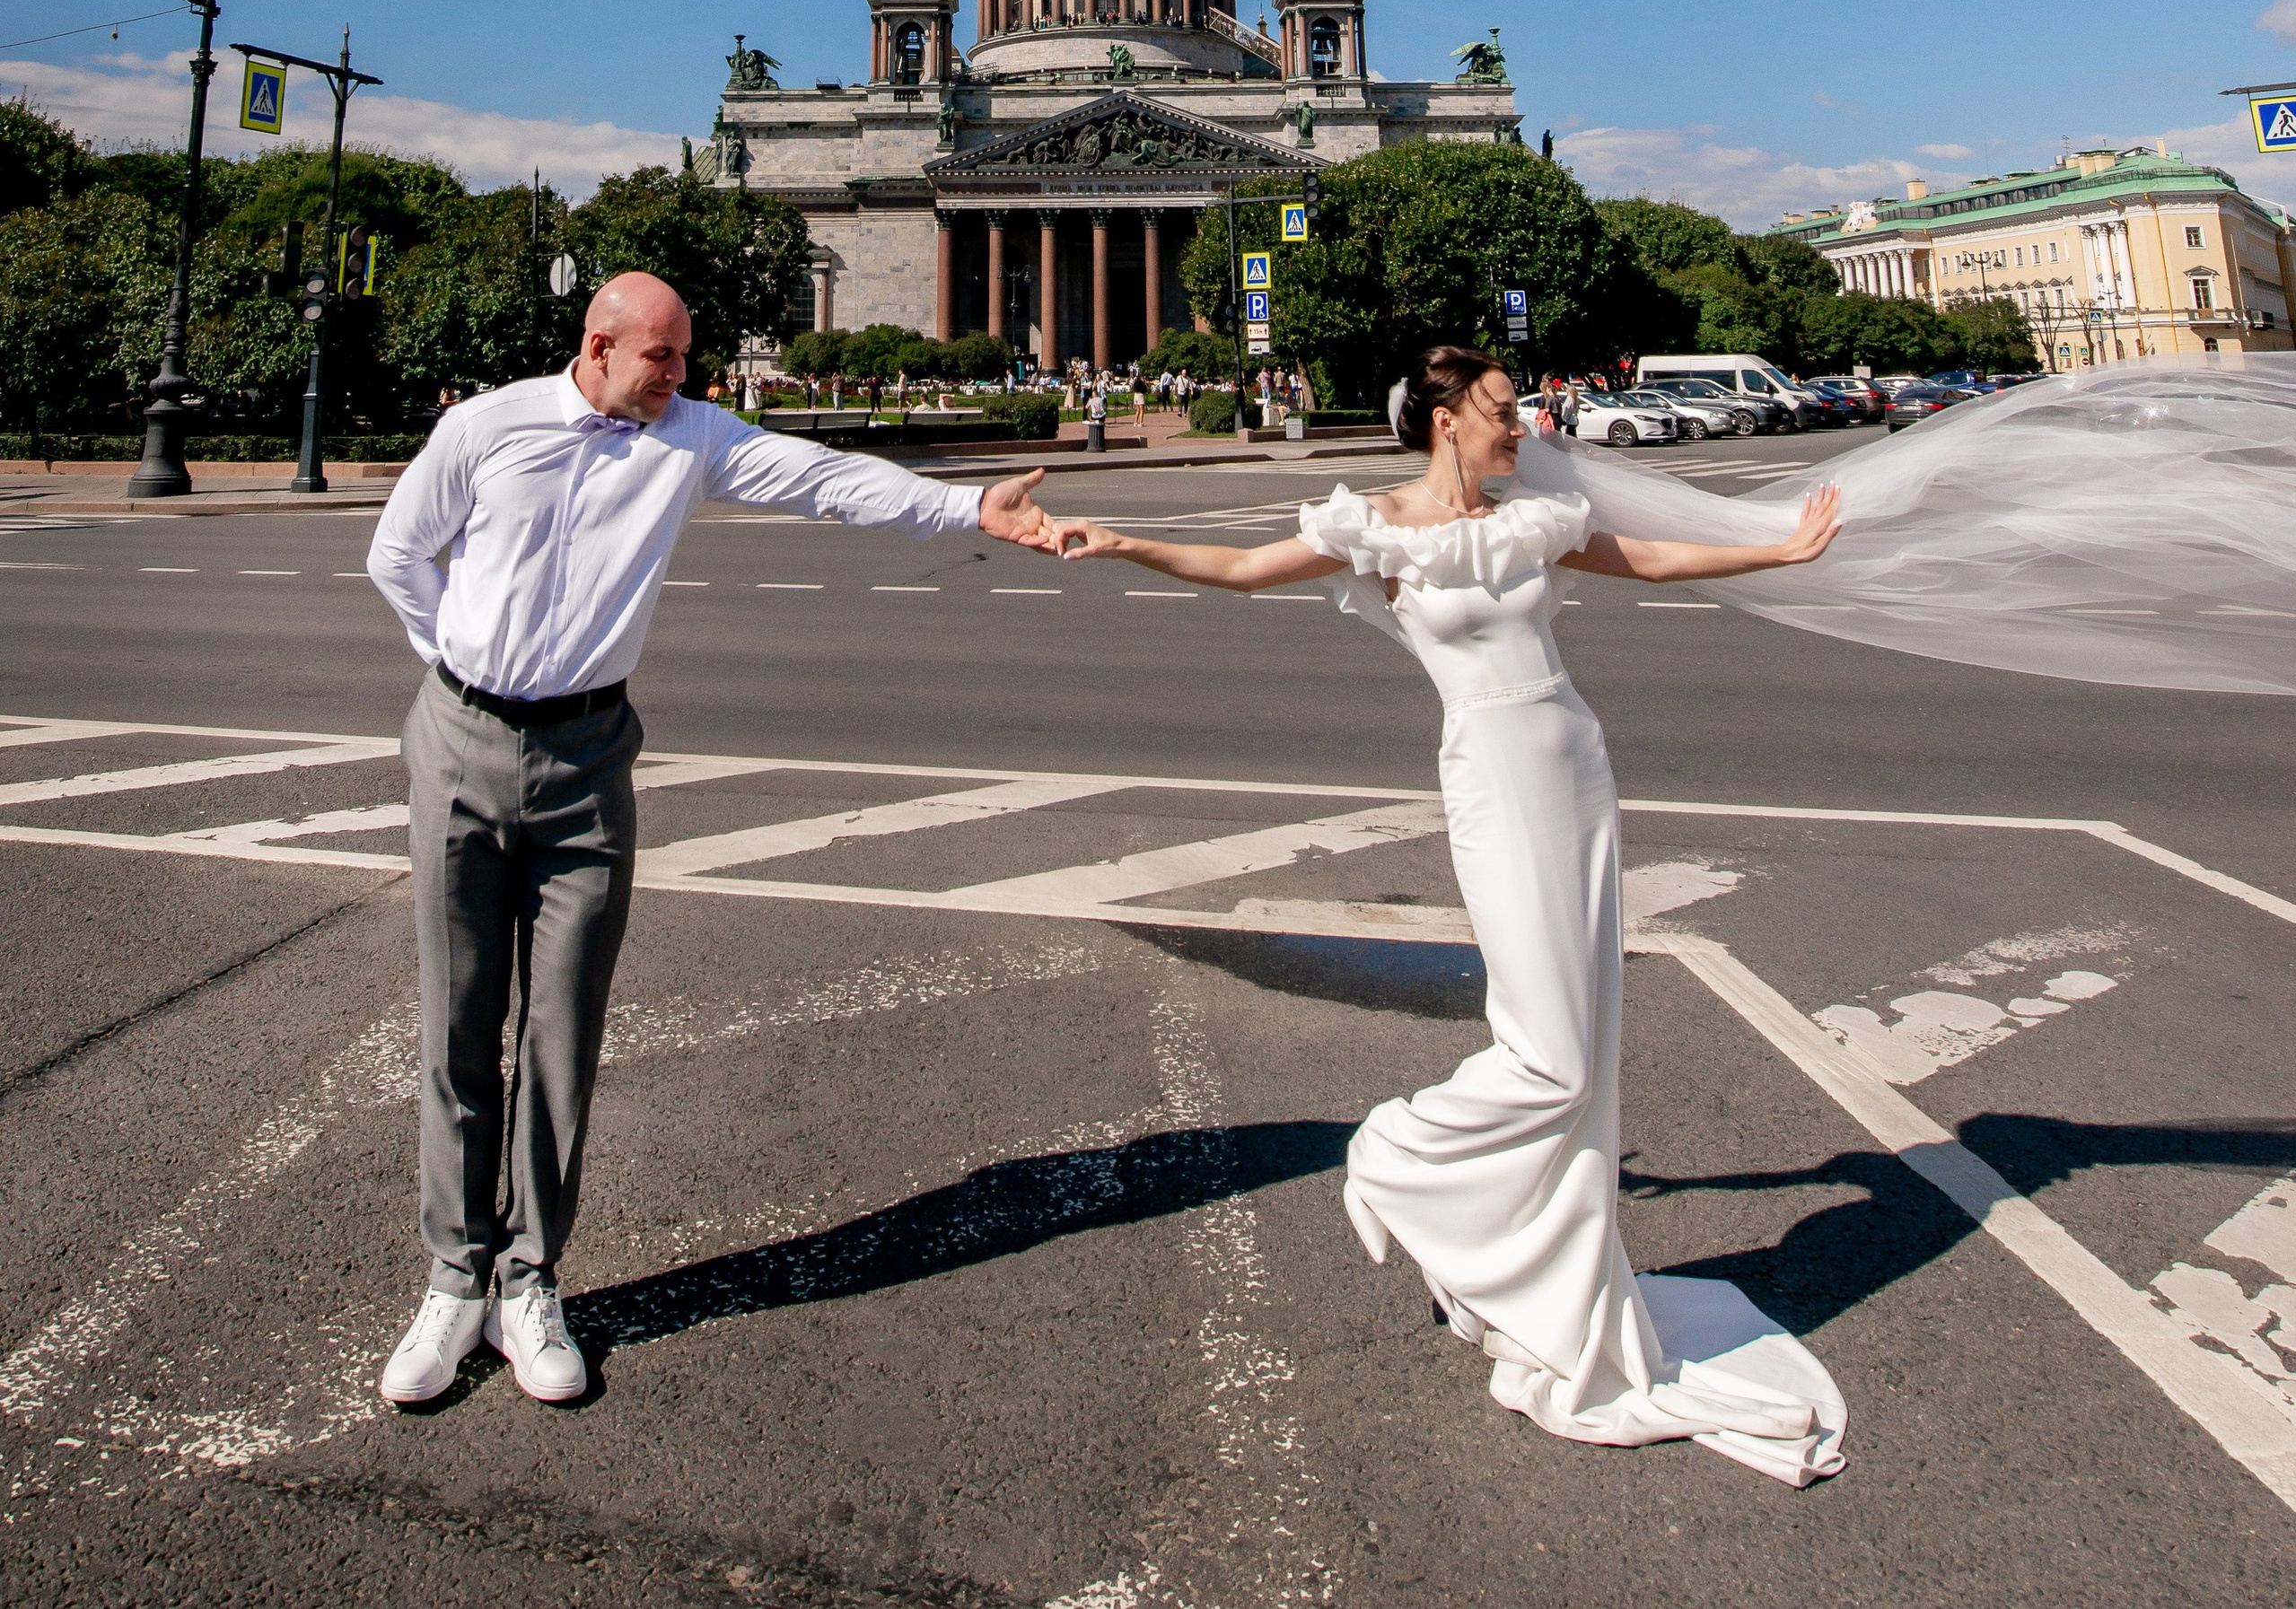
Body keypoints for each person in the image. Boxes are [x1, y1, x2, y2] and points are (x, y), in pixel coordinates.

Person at [1048, 344, 1848, 1484]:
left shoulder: (1532, 519)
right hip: (1492, 774)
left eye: (1516, 409)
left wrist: (1775, 547)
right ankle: (1396, 1155)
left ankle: (1560, 1280)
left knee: (1589, 1040)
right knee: (1550, 1057)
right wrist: (1122, 537)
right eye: (1502, 410)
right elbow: (1239, 568)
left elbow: (1654, 557)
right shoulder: (1375, 528)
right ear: (1443, 421)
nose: (1522, 425)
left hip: (1574, 762)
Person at [365, 271, 1059, 1413]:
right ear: (599, 345)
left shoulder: (687, 437)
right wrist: (469, 672)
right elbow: (400, 556)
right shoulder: (485, 426)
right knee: (455, 1025)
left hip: (591, 760)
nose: (684, 378)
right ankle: (453, 1278)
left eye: (686, 361)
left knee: (561, 1031)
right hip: (461, 741)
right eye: (665, 360)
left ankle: (530, 1279)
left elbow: (822, 478)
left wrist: (965, 507)